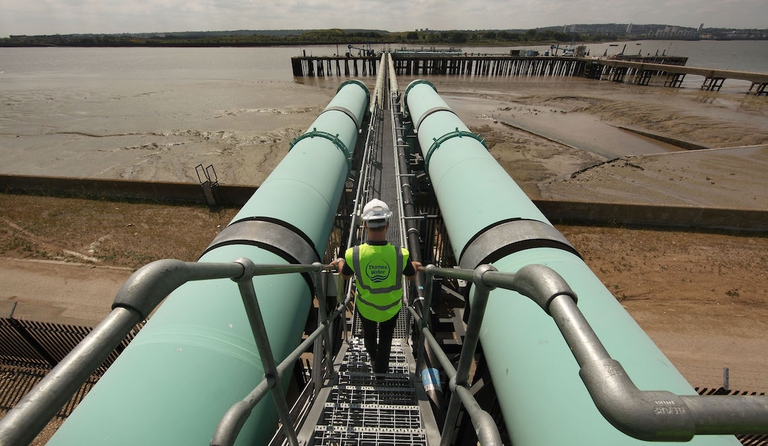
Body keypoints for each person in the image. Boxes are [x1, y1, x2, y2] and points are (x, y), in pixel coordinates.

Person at [332, 199, 420, 374]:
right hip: (391, 308)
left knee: (369, 335)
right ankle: (381, 369)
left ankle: (373, 357)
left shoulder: (354, 254)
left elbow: (346, 274)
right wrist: (415, 266)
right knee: (386, 337)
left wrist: (340, 262)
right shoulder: (400, 254)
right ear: (387, 225)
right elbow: (411, 275)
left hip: (367, 308)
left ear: (365, 225)